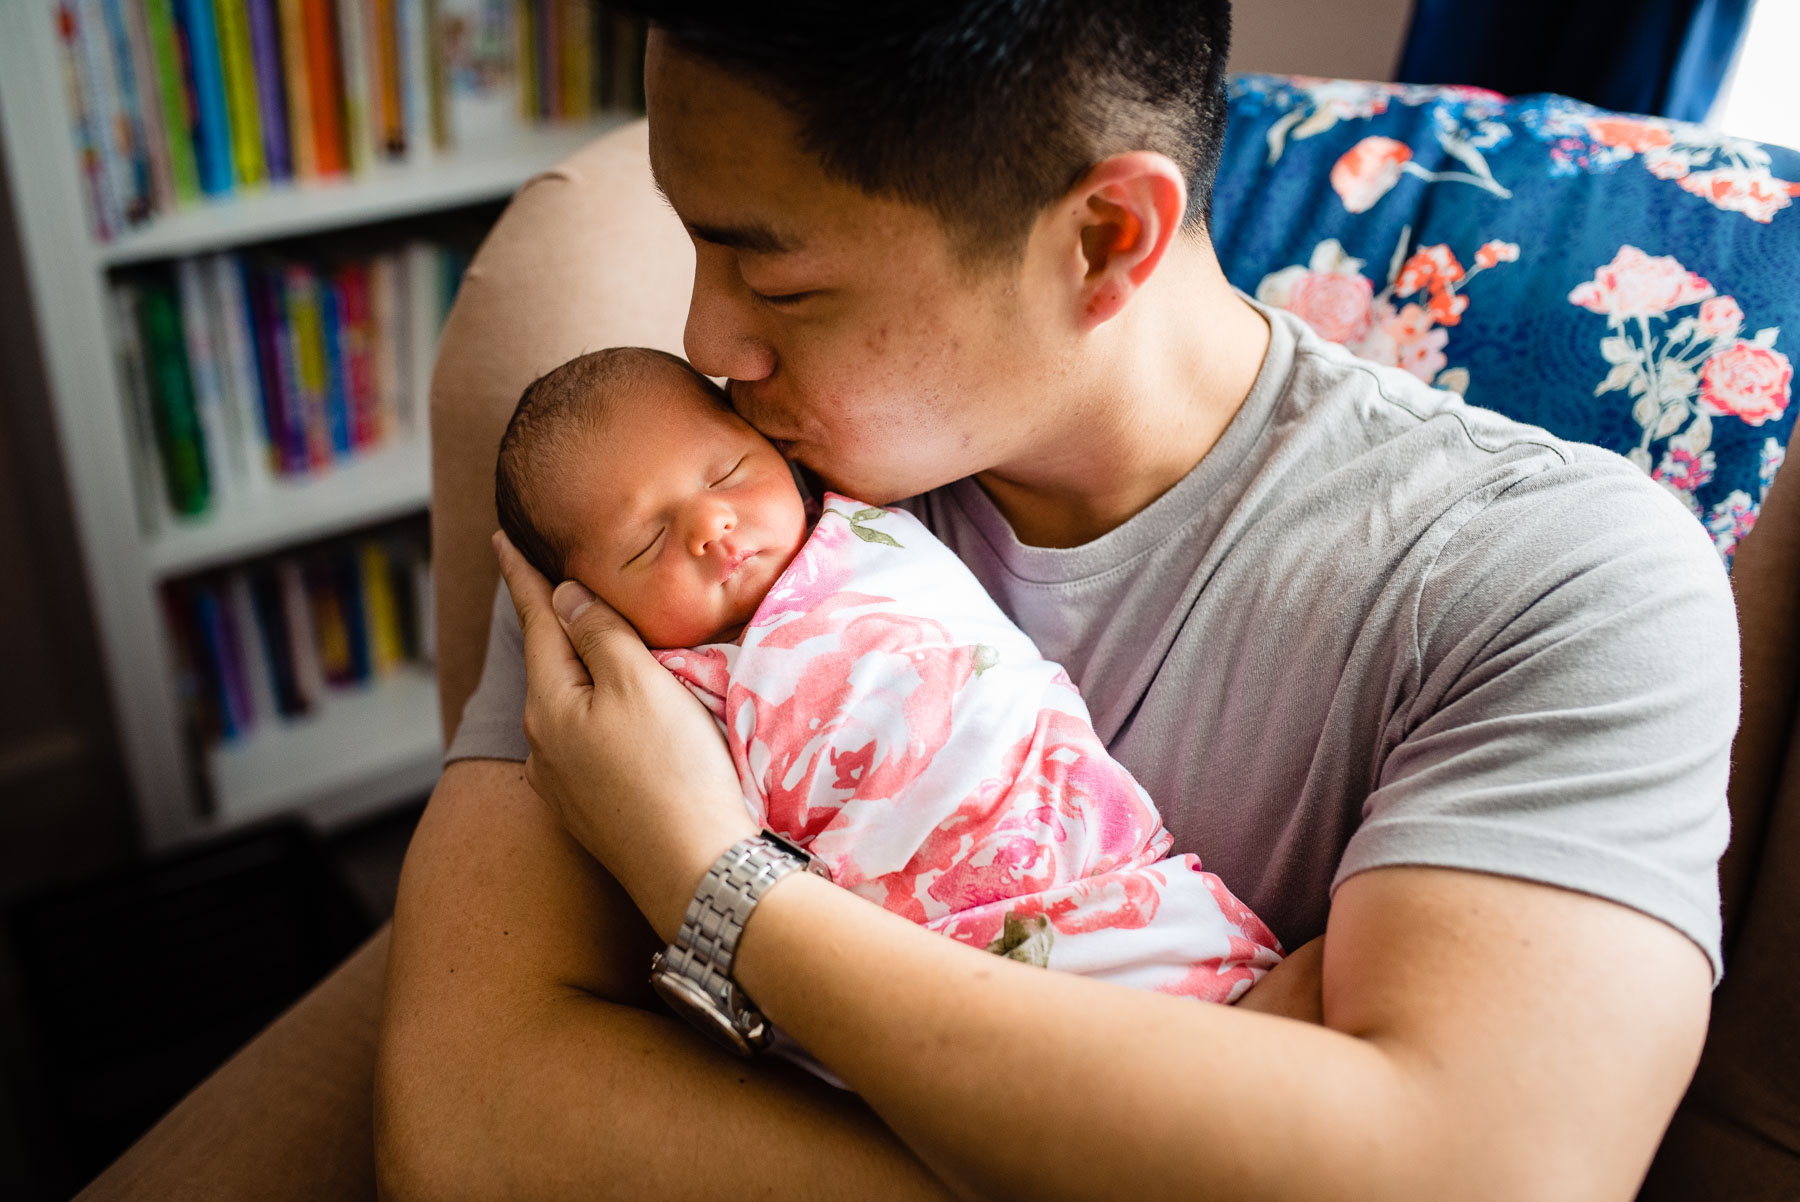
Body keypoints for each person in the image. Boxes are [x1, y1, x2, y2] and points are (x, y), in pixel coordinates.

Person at [376, 4, 1737, 1199]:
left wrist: (716, 883)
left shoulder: (1554, 579)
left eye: (775, 275)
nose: (707, 342)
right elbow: (471, 1122)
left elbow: (1466, 1177)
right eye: (693, 248)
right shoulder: (666, 498)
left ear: (1105, 236)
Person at [490, 345, 1283, 1032]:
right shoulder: (667, 693)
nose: (710, 526)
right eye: (647, 543)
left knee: (1293, 1009)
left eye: (729, 473)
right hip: (948, 963)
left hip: (1114, 870)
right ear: (588, 604)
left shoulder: (862, 509)